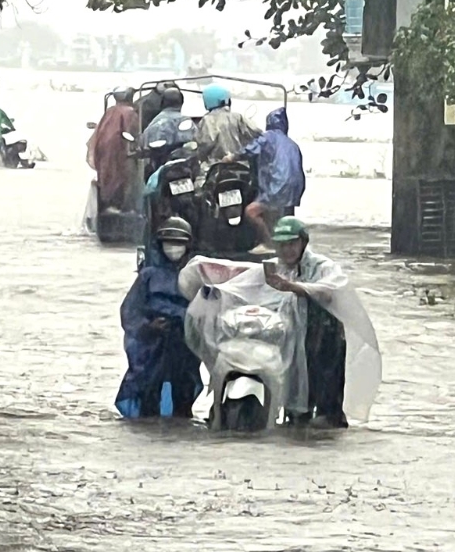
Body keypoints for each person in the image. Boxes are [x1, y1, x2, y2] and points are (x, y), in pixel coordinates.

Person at [263, 217, 348, 429]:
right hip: (293, 336)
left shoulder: (323, 266)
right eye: (282, 245)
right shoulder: (276, 269)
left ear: (303, 242)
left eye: (292, 244)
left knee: (325, 404)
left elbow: (329, 291)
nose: (287, 250)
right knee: (296, 400)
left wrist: (293, 287)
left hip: (324, 336)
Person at [115, 218, 204, 419]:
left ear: (188, 246)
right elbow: (130, 312)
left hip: (183, 347)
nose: (174, 248)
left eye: (179, 243)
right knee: (148, 398)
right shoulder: (148, 276)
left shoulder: (196, 276)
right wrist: (149, 327)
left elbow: (206, 309)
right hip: (152, 349)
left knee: (183, 397)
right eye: (169, 243)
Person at [225, 106, 305, 252]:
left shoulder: (268, 137)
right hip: (294, 189)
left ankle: (268, 244)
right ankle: (289, 247)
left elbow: (251, 148)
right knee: (284, 221)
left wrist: (232, 157)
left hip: (277, 186)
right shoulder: (293, 144)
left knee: (251, 212)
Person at [193, 84, 261, 184]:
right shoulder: (238, 117)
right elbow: (258, 135)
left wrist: (200, 158)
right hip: (241, 166)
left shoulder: (206, 121)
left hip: (214, 168)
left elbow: (203, 145)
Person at [87, 86, 140, 212]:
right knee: (124, 178)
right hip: (119, 152)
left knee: (108, 177)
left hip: (104, 152)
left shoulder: (110, 111)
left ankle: (111, 204)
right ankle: (123, 206)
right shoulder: (130, 112)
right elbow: (133, 133)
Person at [140, 87, 195, 157]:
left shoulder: (154, 122)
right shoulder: (184, 119)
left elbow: (144, 144)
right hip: (180, 160)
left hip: (158, 161)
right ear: (181, 103)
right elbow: (192, 140)